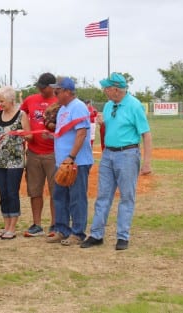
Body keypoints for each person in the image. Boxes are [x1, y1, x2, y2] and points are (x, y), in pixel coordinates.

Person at [81, 72, 152, 251]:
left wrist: (147, 162)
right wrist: (102, 124)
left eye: (107, 87)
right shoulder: (108, 105)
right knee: (103, 195)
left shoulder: (134, 106)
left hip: (127, 154)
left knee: (127, 196)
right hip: (108, 154)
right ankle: (96, 235)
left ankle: (123, 236)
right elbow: (111, 127)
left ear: (115, 89)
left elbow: (146, 133)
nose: (104, 90)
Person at [45, 77, 94, 246]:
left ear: (67, 91)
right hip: (63, 162)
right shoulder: (63, 109)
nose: (54, 94)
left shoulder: (78, 107)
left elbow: (81, 133)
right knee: (60, 196)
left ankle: (78, 233)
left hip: (76, 162)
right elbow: (66, 133)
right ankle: (62, 230)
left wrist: (71, 156)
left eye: (57, 91)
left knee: (77, 198)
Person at [0, 86, 31, 240]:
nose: (0, 104)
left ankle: (12, 227)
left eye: (2, 101)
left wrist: (23, 133)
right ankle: (5, 225)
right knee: (3, 194)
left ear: (11, 99)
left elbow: (30, 136)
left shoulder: (21, 115)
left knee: (12, 192)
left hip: (15, 161)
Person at [20, 73, 58, 237]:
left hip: (54, 152)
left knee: (55, 191)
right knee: (35, 190)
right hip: (34, 152)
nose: (40, 89)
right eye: (39, 86)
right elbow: (20, 116)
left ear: (53, 87)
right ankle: (36, 224)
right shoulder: (30, 100)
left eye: (44, 87)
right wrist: (25, 130)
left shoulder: (60, 102)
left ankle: (55, 224)